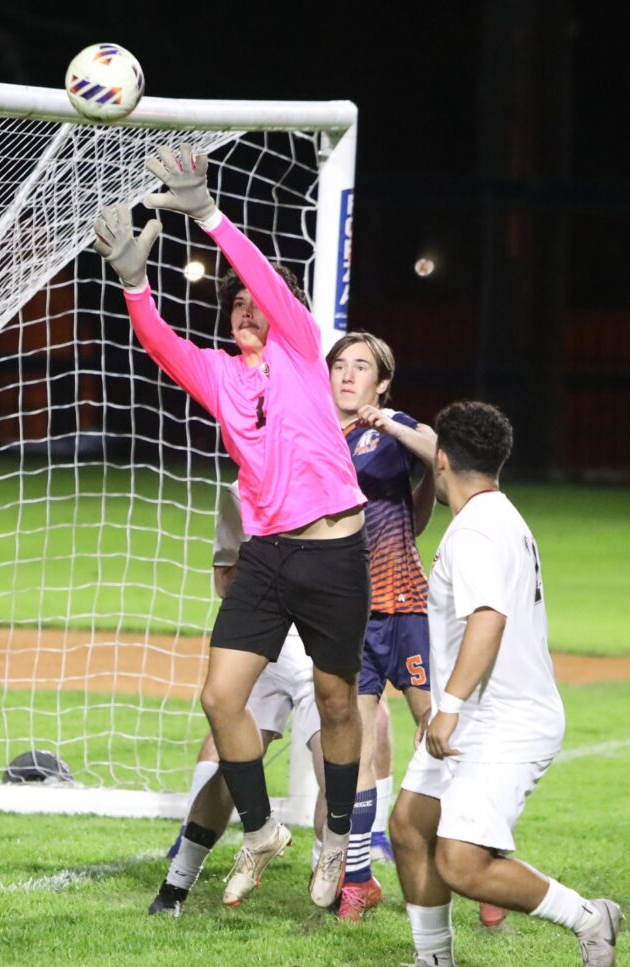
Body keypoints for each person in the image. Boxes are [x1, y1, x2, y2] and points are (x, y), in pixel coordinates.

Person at [94, 144, 369, 909]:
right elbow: (159, 344)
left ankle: (337, 839)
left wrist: (210, 215)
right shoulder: (219, 374)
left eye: (255, 302)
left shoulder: (303, 354)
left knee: (338, 698)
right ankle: (260, 831)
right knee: (220, 698)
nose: (248, 309)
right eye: (237, 305)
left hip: (335, 551)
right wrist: (135, 284)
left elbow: (267, 283)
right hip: (268, 559)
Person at [361, 401, 621, 967]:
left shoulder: (475, 530)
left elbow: (488, 620)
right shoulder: (495, 507)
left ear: (445, 460)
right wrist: (388, 423)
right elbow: (442, 450)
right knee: (409, 826)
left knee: (462, 863)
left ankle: (590, 918)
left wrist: (446, 705)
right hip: (481, 710)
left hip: (503, 719)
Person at [149, 482, 323, 916]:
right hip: (271, 641)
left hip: (321, 640)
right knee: (235, 759)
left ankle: (344, 876)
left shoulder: (340, 474)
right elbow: (225, 577)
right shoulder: (239, 489)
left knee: (338, 763)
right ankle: (177, 885)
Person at [320, 332, 436, 921]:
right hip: (349, 615)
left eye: (360, 367)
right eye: (339, 365)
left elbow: (435, 451)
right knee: (356, 742)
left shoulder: (389, 427)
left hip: (406, 605)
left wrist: (389, 423)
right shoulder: (316, 432)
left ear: (381, 382)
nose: (347, 374)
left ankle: (480, 857)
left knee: (438, 731)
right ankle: (359, 879)